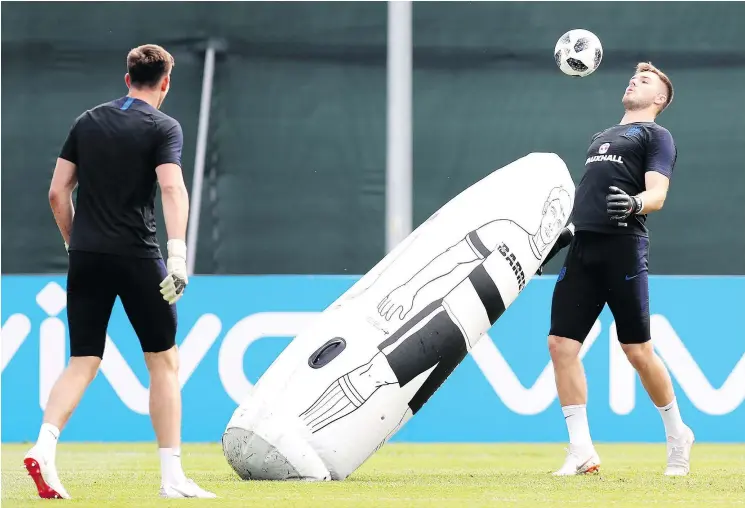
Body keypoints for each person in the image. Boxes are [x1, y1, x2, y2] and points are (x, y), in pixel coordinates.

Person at [23, 44, 216, 499]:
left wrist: (75, 243)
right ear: (165, 83)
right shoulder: (164, 126)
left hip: (86, 256)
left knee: (83, 360)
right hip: (136, 256)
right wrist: (178, 256)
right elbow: (171, 187)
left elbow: (57, 193)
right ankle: (172, 478)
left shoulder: (86, 121)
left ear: (127, 78)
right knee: (163, 361)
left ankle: (44, 445)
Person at [547, 62, 694, 476]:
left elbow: (658, 194)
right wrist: (564, 232)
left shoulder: (656, 135)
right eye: (633, 77)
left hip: (623, 246)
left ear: (660, 99)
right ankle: (581, 451)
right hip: (583, 248)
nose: (634, 81)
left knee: (637, 350)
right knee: (561, 345)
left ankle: (677, 433)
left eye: (645, 80)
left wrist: (634, 204)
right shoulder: (600, 138)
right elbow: (588, 195)